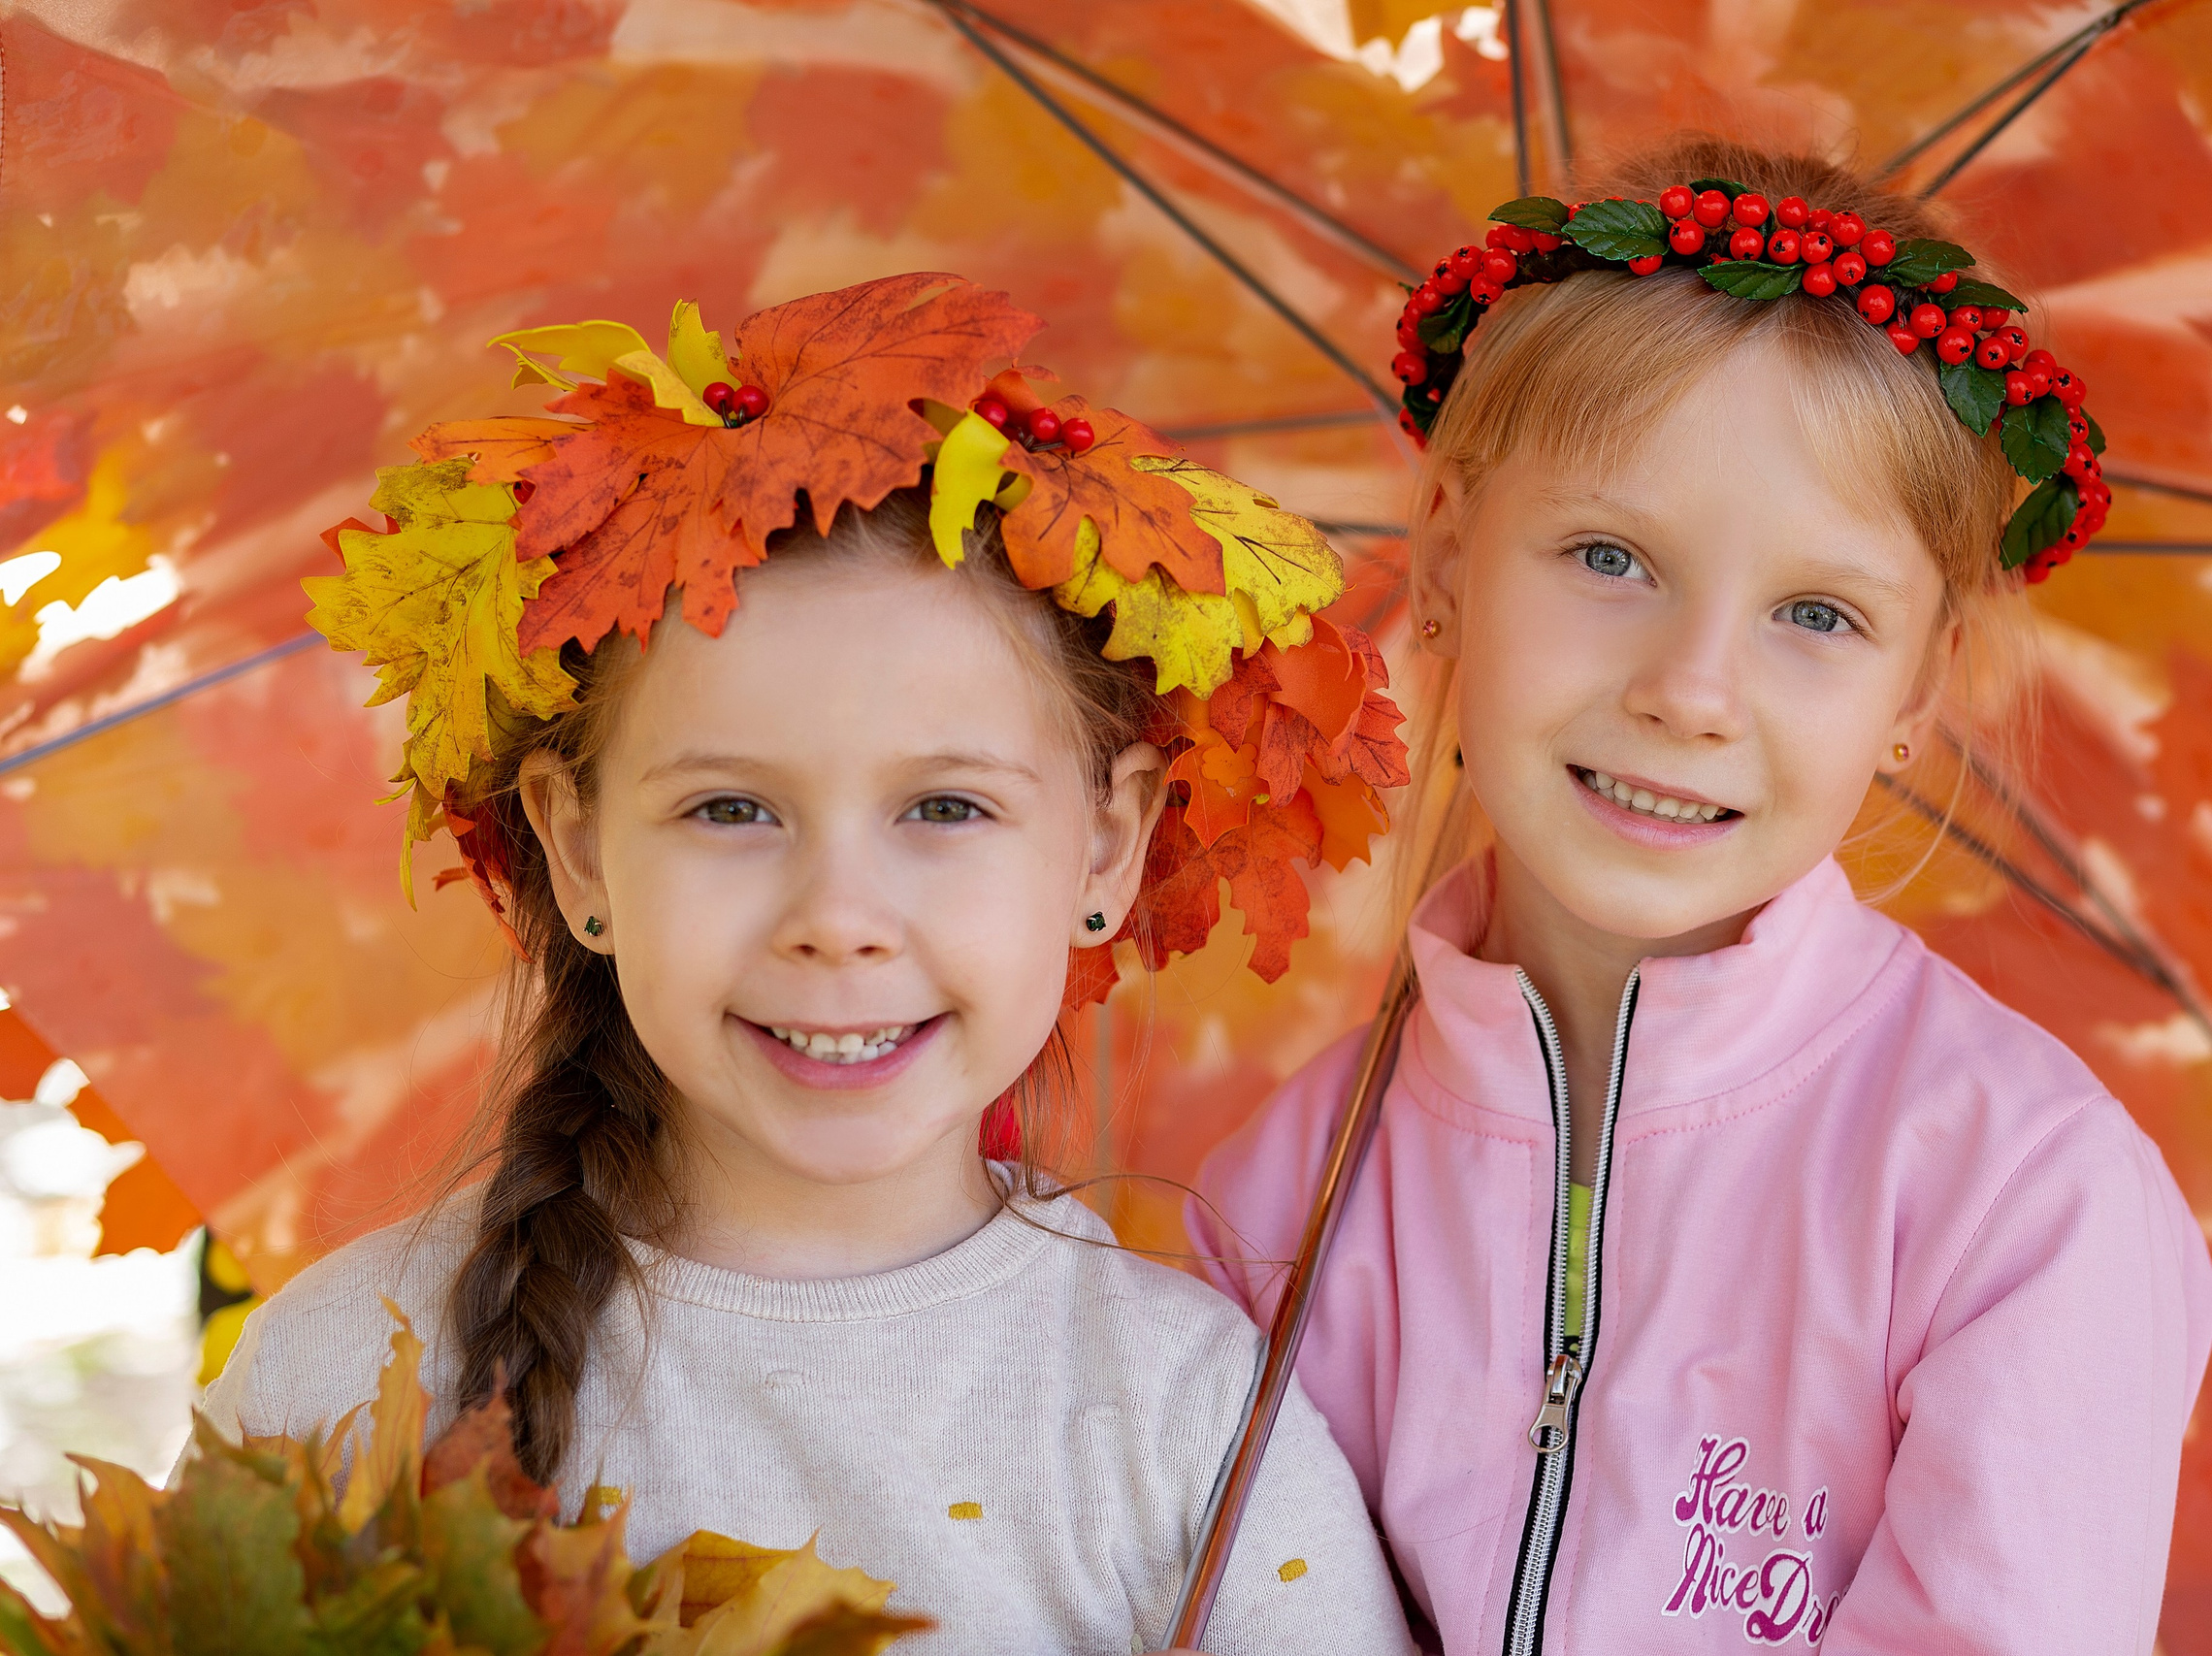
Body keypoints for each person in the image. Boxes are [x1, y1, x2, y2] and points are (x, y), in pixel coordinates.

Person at [202, 275, 1417, 1656]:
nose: (839, 918)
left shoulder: (1188, 1426)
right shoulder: (349, 1381)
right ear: (577, 849)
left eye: (944, 807)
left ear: (1106, 846)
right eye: (732, 809)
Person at [1188, 137, 2212, 1655]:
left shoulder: (2021, 1200)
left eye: (1817, 613)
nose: (1692, 690)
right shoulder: (1284, 1205)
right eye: (1611, 556)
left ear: (1915, 687)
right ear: (1451, 562)